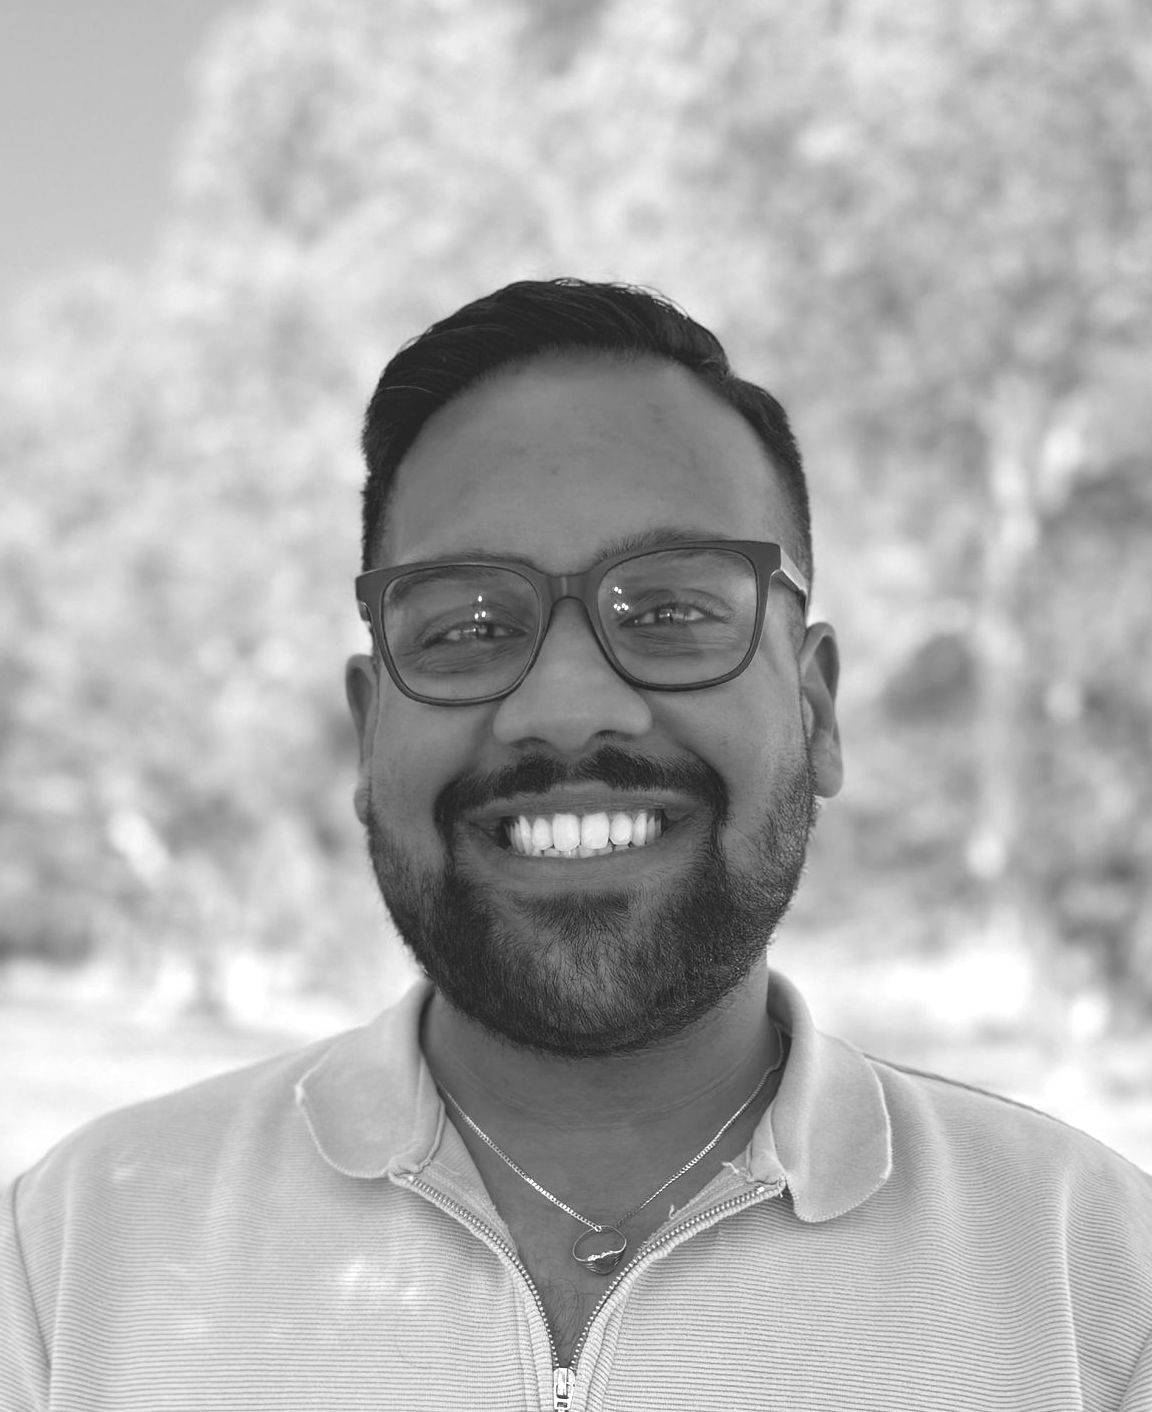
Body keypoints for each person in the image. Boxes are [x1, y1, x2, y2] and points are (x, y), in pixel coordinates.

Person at [2, 279, 1150, 1412]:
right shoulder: (66, 1267)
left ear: (816, 712)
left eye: (669, 612)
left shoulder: (1095, 1284)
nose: (562, 704)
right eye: (464, 627)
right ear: (367, 734)